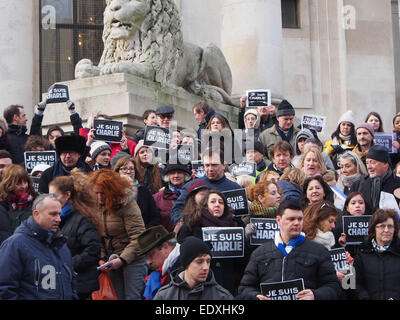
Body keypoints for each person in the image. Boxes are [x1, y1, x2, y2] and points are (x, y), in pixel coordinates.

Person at [238, 200, 341, 300]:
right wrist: (255, 296)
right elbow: (245, 288)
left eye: (300, 219)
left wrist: (315, 295)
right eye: (291, 219)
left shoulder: (319, 251)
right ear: (278, 220)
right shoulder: (259, 253)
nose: (296, 223)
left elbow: (333, 286)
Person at [0, 194, 77, 300]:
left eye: (59, 214)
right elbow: (4, 289)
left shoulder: (61, 246)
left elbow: (71, 284)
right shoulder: (16, 244)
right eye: (53, 214)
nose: (58, 219)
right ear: (36, 214)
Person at [88, 169, 146, 300]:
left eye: (102, 193)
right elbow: (99, 236)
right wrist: (102, 257)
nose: (99, 197)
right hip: (111, 259)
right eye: (96, 193)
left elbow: (139, 237)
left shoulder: (128, 204)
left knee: (132, 296)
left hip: (133, 258)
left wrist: (122, 259)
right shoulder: (97, 206)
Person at [177, 189, 246, 295]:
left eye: (221, 202)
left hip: (228, 283)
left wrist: (245, 238)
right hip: (202, 284)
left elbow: (242, 261)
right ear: (205, 206)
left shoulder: (235, 225)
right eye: (213, 202)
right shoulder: (193, 224)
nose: (217, 205)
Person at [48, 169, 102, 300]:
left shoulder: (81, 219)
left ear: (67, 195)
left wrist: (67, 264)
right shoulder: (58, 219)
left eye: (54, 196)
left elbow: (92, 250)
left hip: (80, 284)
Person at [170, 147, 242, 225]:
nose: (210, 169)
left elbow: (241, 217)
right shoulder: (191, 186)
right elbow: (177, 210)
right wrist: (185, 224)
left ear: (224, 165)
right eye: (207, 165)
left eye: (214, 165)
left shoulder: (236, 188)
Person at [154, 236, 233, 300]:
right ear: (186, 264)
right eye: (199, 262)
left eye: (208, 261)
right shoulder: (164, 296)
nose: (205, 267)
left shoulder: (223, 296)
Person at [353, 209, 400, 300]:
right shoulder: (362, 253)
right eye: (382, 226)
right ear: (374, 228)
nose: (386, 230)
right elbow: (354, 283)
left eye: (390, 226)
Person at [112, 155, 161, 229]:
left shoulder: (143, 191)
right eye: (124, 168)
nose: (128, 172)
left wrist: (145, 232)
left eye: (131, 169)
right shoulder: (111, 191)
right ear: (117, 171)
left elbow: (155, 217)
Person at [350, 145, 400, 212]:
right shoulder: (357, 185)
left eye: (373, 162)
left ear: (385, 164)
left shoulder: (398, 183)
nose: (369, 167)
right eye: (367, 163)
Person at [137, 225, 181, 300]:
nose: (148, 262)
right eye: (146, 258)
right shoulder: (157, 273)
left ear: (165, 247)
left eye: (151, 255)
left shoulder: (182, 268)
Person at [0, 164, 36, 245]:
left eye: (25, 181)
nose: (24, 186)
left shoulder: (36, 201)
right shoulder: (2, 206)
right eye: (18, 183)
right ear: (8, 184)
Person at [153, 163, 192, 232]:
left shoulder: (193, 195)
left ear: (185, 175)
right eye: (172, 173)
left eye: (179, 172)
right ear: (168, 176)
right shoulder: (157, 198)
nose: (176, 175)